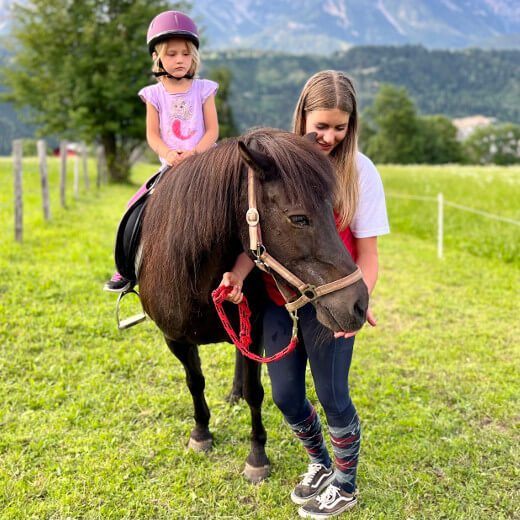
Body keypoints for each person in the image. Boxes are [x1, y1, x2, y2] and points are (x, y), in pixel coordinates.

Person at [219, 70, 389, 518]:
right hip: (277, 297)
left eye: (340, 126)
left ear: (351, 124)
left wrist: (361, 300)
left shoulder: (360, 172)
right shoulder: (274, 165)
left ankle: (346, 484)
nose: (330, 135)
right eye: (321, 125)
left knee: (333, 395)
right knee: (287, 396)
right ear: (302, 115)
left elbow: (368, 256)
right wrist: (237, 274)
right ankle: (318, 462)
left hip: (330, 301)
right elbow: (255, 232)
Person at [104, 10, 219, 292]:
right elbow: (152, 135)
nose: (179, 60)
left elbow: (213, 131)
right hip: (170, 165)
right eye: (171, 54)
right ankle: (127, 268)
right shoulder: (153, 95)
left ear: (193, 57)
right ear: (157, 58)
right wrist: (168, 154)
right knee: (134, 206)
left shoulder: (203, 89)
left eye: (185, 53)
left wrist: (195, 153)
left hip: (205, 163)